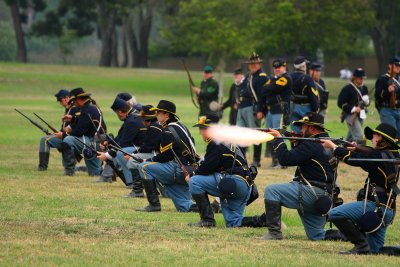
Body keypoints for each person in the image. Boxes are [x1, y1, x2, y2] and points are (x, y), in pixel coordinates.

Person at [322, 123, 398, 254]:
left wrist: (334, 148)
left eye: (375, 135)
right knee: (375, 251)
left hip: (375, 207)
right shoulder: (392, 155)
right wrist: (356, 149)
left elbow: (353, 160)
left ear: (382, 139)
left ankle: (360, 245)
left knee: (335, 214)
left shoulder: (377, 156)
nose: (372, 138)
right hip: (386, 210)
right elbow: (369, 155)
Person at [259, 112, 335, 240]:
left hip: (311, 193)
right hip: (321, 194)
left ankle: (274, 233)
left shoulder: (311, 144)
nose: (300, 130)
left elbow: (285, 159)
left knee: (271, 190)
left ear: (312, 128)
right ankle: (350, 235)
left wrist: (278, 140)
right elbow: (303, 158)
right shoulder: (324, 142)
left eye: (303, 127)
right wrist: (296, 143)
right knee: (317, 235)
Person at [187, 113, 251, 227]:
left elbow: (208, 167)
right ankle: (264, 220)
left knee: (195, 181)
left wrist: (192, 174)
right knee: (233, 222)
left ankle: (207, 220)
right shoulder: (230, 141)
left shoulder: (215, 142)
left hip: (231, 182)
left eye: (203, 128)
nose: (201, 132)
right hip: (244, 185)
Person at [136, 100, 198, 212]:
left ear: (167, 115)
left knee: (144, 167)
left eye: (158, 112)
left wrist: (147, 160)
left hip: (179, 170)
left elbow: (165, 157)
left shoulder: (167, 131)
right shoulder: (180, 126)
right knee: (184, 207)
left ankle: (154, 205)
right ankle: (209, 208)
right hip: (188, 169)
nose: (156, 115)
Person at [96, 97, 146, 190]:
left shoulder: (131, 120)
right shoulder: (132, 116)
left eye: (116, 113)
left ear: (120, 112)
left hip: (142, 150)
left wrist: (107, 155)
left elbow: (123, 143)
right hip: (140, 148)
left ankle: (133, 182)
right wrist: (109, 143)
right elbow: (121, 136)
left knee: (121, 153)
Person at [58, 88, 107, 176]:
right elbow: (86, 122)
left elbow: (79, 131)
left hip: (95, 141)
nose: (74, 104)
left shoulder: (86, 110)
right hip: (99, 140)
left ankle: (69, 171)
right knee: (95, 173)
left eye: (74, 101)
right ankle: (105, 172)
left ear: (79, 100)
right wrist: (73, 118)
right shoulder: (91, 107)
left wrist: (64, 134)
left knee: (68, 140)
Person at [257, 58, 292, 168]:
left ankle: (283, 162)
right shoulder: (273, 79)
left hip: (280, 111)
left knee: (279, 135)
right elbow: (264, 90)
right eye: (275, 68)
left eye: (279, 67)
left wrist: (270, 87)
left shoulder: (286, 78)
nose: (277, 69)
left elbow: (272, 88)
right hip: (270, 111)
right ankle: (275, 160)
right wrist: (270, 87)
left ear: (284, 67)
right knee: (270, 135)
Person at [237, 52, 268, 167]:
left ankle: (256, 160)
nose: (253, 65)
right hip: (242, 106)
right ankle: (241, 158)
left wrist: (261, 110)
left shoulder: (262, 77)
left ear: (259, 64)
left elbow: (262, 96)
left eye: (255, 63)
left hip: (252, 107)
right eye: (251, 64)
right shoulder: (249, 76)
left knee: (255, 134)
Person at [125, 105, 163, 198]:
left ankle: (137, 190)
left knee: (132, 161)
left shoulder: (153, 127)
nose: (142, 121)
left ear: (146, 119)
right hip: (160, 153)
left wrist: (133, 154)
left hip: (157, 154)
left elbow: (147, 146)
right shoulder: (157, 124)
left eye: (142, 118)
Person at [37, 89, 77, 171]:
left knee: (44, 140)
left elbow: (73, 126)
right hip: (67, 135)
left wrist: (61, 133)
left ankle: (42, 167)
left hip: (71, 137)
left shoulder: (74, 109)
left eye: (60, 100)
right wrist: (55, 133)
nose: (60, 103)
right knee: (47, 138)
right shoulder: (69, 109)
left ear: (66, 98)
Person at [337, 68, 369, 145]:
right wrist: (354, 108)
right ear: (354, 77)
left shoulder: (364, 88)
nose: (362, 80)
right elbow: (340, 102)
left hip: (360, 115)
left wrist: (367, 102)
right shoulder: (347, 88)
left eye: (362, 78)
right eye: (360, 78)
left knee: (350, 138)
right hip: (350, 115)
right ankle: (361, 156)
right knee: (360, 138)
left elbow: (367, 103)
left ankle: (343, 150)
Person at [290, 56, 319, 133]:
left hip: (292, 107)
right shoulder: (307, 78)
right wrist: (316, 109)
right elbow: (313, 95)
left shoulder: (289, 77)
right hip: (306, 108)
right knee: (307, 133)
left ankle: (295, 145)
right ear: (303, 66)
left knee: (295, 133)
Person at [375, 56, 400, 138]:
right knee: (391, 135)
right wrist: (387, 91)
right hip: (387, 110)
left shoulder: (399, 80)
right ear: (390, 66)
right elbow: (377, 95)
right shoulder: (382, 79)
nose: (398, 67)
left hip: (398, 109)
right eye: (396, 65)